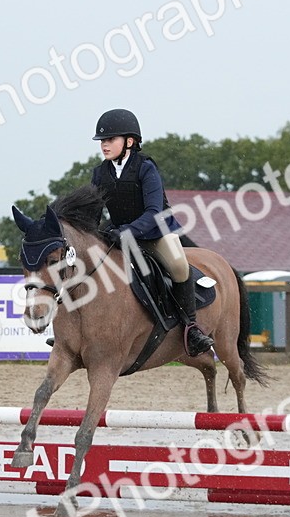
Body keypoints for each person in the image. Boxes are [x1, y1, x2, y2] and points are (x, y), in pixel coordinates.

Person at [89, 108, 213, 357]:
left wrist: (127, 232)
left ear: (130, 142)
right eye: (102, 141)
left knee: (179, 266)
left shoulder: (145, 168)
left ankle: (191, 327)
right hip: (120, 234)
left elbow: (154, 212)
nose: (104, 145)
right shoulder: (100, 173)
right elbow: (94, 212)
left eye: (110, 140)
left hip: (156, 233)